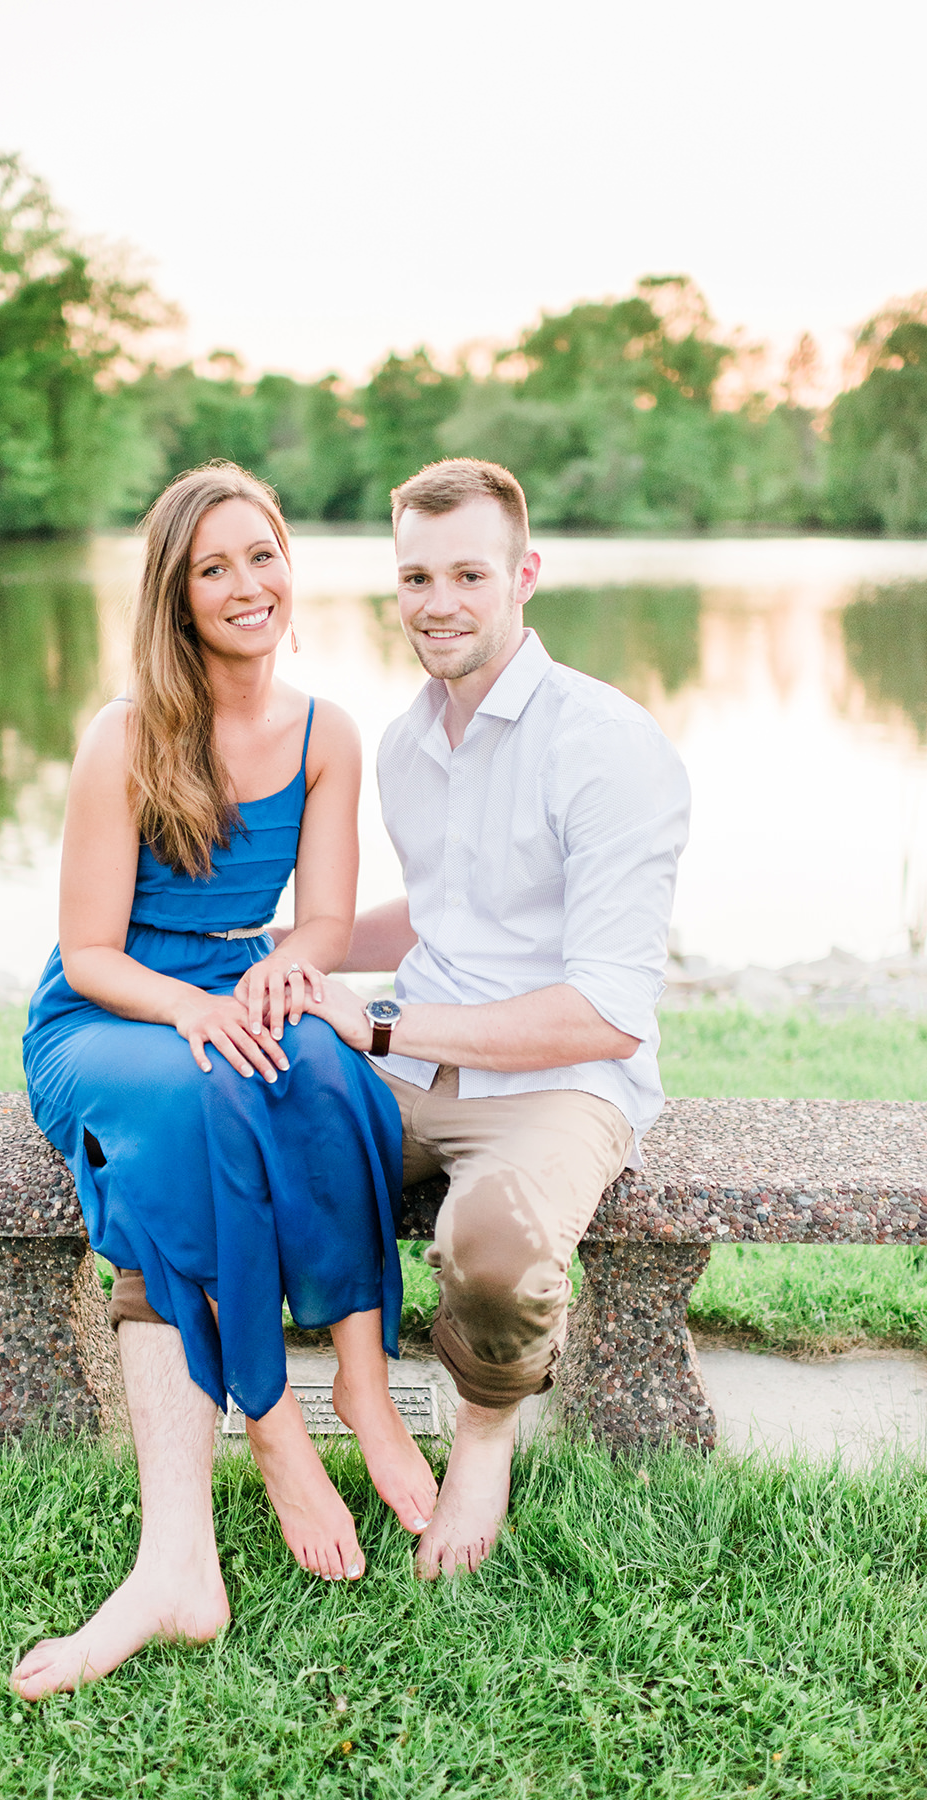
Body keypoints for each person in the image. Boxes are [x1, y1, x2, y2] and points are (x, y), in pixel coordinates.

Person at [11, 463, 436, 1700]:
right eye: (215, 567)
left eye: (263, 555)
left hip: (238, 990)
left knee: (336, 1079)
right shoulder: (128, 734)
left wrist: (274, 982)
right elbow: (89, 954)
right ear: (177, 596)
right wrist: (201, 1004)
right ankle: (266, 1434)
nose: (247, 585)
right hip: (111, 1014)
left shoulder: (325, 733)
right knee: (205, 1106)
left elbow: (321, 925)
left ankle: (359, 1377)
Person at [299, 458, 691, 1579]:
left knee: (494, 1254)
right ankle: (336, 1384)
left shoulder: (608, 748)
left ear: (525, 574)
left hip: (556, 1084)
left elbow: (606, 1015)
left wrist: (374, 1025)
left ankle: (482, 1437)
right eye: (415, 575)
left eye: (468, 573)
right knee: (232, 1117)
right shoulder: (406, 741)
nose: (438, 602)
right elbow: (443, 910)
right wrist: (290, 955)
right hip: (418, 1051)